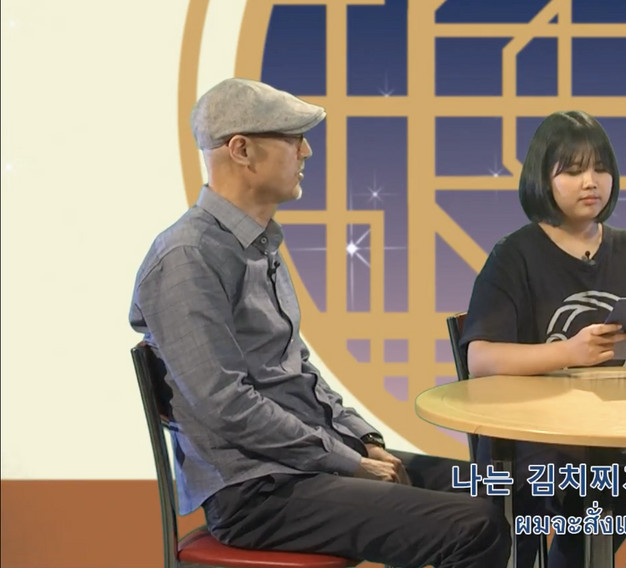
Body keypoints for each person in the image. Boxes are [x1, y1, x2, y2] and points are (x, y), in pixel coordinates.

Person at [129, 78, 510, 568]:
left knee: (500, 490)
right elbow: (226, 405)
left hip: (305, 466)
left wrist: (361, 438)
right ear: (241, 150)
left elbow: (296, 369)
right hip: (258, 491)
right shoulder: (187, 258)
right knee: (475, 526)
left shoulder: (259, 244)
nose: (306, 151)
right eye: (292, 138)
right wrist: (347, 461)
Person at [461, 110, 626, 568]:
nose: (591, 182)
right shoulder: (513, 255)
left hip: (623, 437)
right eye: (573, 171)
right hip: (536, 442)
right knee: (587, 506)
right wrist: (569, 352)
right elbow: (480, 359)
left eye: (600, 168)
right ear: (543, 179)